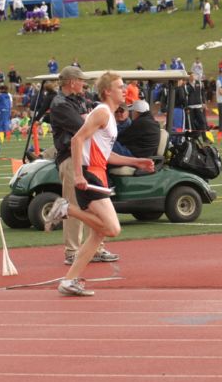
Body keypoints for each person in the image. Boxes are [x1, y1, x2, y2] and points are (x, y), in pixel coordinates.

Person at [45, 72, 155, 296]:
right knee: (112, 228)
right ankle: (67, 208)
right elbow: (76, 139)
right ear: (107, 91)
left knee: (98, 233)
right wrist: (78, 175)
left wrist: (136, 162)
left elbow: (105, 155)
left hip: (98, 172)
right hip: (90, 174)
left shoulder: (109, 116)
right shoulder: (102, 112)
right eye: (120, 86)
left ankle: (69, 281)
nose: (124, 90)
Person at [50, 66, 119, 266]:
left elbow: (91, 120)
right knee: (74, 203)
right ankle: (72, 251)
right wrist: (89, 119)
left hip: (87, 158)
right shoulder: (60, 103)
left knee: (92, 205)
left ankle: (96, 247)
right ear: (72, 82)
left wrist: (89, 119)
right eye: (81, 81)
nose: (84, 85)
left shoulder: (81, 99)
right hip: (72, 158)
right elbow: (82, 127)